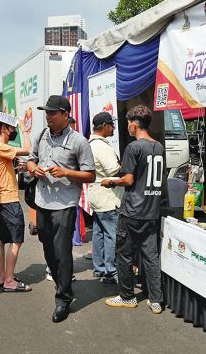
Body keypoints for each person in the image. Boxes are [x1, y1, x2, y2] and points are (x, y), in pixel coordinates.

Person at [26, 95, 95, 323]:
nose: (48, 116)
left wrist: (66, 172)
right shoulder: (41, 135)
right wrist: (33, 168)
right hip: (42, 201)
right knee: (48, 248)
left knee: (62, 251)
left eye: (52, 113)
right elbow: (31, 159)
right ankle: (61, 284)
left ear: (65, 114)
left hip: (65, 204)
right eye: (46, 112)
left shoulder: (79, 142)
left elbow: (90, 175)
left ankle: (63, 299)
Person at [101, 105, 164, 315]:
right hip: (151, 210)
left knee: (124, 255)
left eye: (128, 123)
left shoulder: (133, 147)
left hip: (132, 210)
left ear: (135, 124)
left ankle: (127, 297)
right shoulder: (158, 146)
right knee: (151, 256)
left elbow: (128, 179)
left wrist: (111, 181)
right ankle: (156, 300)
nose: (127, 127)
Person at [0, 115, 32, 292]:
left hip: (1, 200)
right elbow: (27, 149)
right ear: (3, 128)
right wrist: (24, 129)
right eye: (12, 128)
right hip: (9, 200)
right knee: (16, 240)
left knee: (1, 239)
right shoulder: (0, 146)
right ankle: (9, 280)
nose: (14, 131)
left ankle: (2, 276)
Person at [88, 112, 122, 284]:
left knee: (99, 233)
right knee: (110, 235)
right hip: (108, 197)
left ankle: (99, 268)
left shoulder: (91, 144)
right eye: (111, 125)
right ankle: (110, 272)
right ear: (104, 127)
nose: (113, 128)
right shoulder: (101, 146)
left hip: (97, 195)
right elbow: (113, 170)